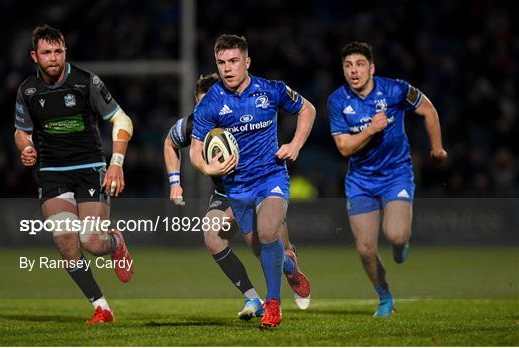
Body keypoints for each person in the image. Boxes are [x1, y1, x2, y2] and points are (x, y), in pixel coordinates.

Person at [189, 34, 316, 328]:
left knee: (269, 231)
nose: (227, 68)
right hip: (237, 187)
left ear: (247, 62)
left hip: (271, 176)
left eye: (233, 61)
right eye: (221, 62)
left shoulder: (271, 90)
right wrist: (207, 168)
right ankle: (291, 268)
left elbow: (307, 109)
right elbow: (196, 151)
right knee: (263, 252)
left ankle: (273, 306)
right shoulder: (209, 104)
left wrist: (295, 144)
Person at [164, 73, 312, 321]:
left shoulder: (244, 113)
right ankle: (254, 297)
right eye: (201, 105)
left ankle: (289, 272)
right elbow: (170, 142)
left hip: (261, 183)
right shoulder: (197, 123)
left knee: (272, 244)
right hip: (227, 191)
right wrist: (175, 184)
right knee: (213, 235)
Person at [14, 25, 134, 324]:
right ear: (34, 56)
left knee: (93, 242)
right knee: (67, 242)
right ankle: (101, 307)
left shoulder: (85, 82)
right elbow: (21, 131)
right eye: (46, 52)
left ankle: (116, 243)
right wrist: (26, 146)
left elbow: (122, 119)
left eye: (58, 51)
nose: (53, 58)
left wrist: (116, 162)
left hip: (90, 168)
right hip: (53, 171)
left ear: (65, 52)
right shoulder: (28, 90)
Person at [328, 42, 448, 317]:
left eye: (359, 64)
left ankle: (400, 242)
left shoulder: (395, 89)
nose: (353, 71)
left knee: (395, 233)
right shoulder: (337, 100)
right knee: (365, 248)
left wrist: (437, 147)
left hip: (396, 174)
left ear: (371, 67)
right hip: (360, 180)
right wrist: (371, 129)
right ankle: (384, 297)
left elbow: (428, 110)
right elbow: (344, 148)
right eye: (348, 66)